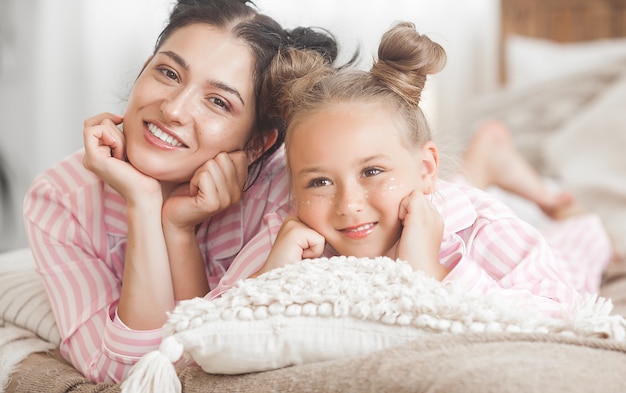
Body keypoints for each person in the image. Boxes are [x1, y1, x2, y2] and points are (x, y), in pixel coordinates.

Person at [22, 0, 345, 383]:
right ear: (143, 70)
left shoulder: (283, 197)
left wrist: (177, 229)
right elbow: (127, 374)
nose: (173, 109)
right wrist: (142, 204)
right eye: (169, 73)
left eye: (218, 101)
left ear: (257, 145)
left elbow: (205, 356)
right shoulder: (61, 197)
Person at [209, 21, 614, 320]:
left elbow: (563, 314)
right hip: (420, 192)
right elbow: (196, 330)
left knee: (582, 236)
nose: (347, 205)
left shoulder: (483, 226)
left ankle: (544, 195)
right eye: (319, 181)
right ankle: (485, 159)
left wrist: (435, 272)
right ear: (292, 188)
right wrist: (268, 276)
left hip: (474, 211)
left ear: (426, 168)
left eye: (371, 171)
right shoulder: (289, 230)